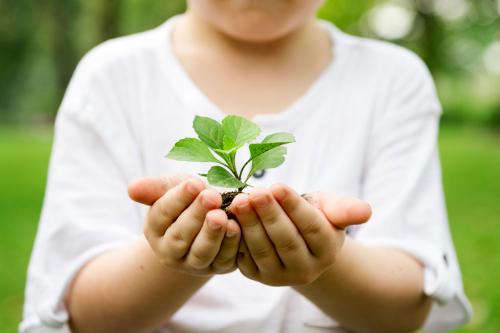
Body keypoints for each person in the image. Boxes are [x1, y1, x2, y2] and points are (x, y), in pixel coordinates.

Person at [21, 1, 472, 332]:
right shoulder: (111, 77)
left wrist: (326, 261)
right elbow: (84, 315)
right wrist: (171, 259)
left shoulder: (393, 79)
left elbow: (406, 308)